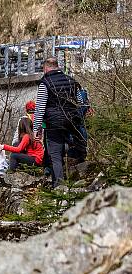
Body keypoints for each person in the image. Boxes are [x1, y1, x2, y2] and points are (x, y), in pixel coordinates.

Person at [32, 57, 87, 186]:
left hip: (54, 123)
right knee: (78, 148)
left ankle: (59, 185)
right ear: (57, 66)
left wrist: (36, 129)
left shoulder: (44, 83)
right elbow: (81, 103)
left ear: (45, 68)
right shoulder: (71, 80)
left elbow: (40, 108)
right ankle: (80, 175)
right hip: (72, 121)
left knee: (55, 155)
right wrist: (79, 119)